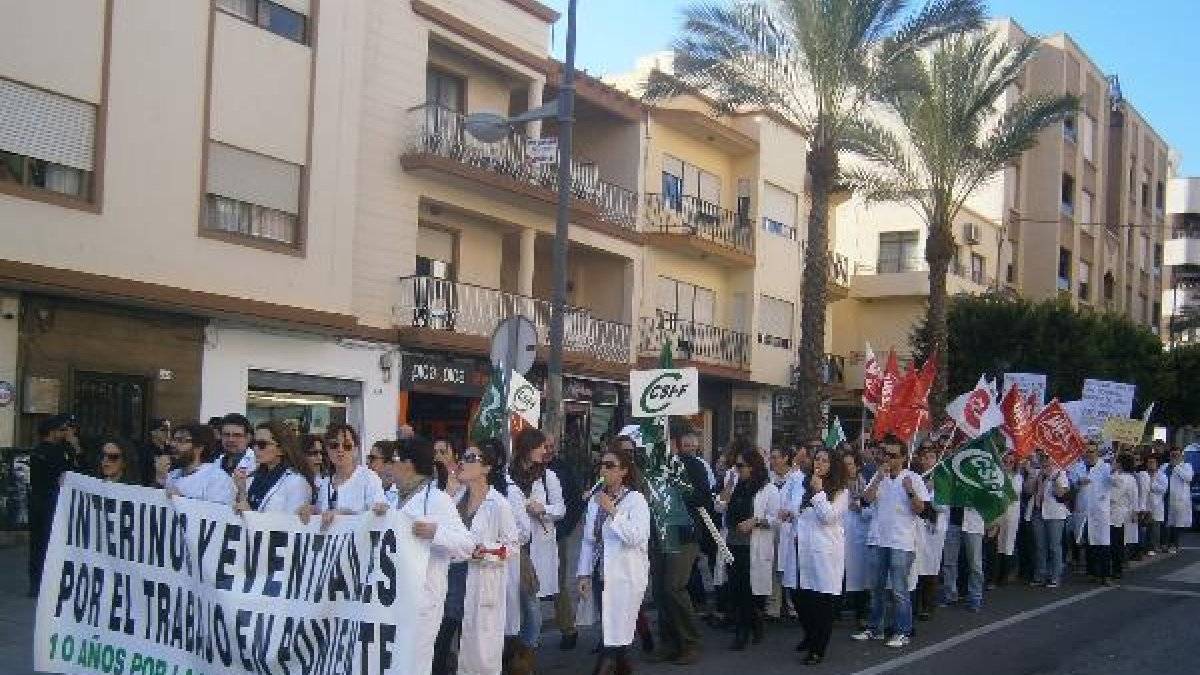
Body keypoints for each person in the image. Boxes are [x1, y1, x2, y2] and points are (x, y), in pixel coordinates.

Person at [390, 437, 474, 675]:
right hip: (392, 600)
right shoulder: (392, 498)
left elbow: (466, 546)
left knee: (415, 666)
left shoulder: (437, 500)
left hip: (423, 602)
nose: (389, 466)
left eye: (393, 460)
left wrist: (435, 532)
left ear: (408, 463)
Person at [577, 443, 651, 675]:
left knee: (619, 627)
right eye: (602, 465)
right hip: (602, 571)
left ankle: (607, 666)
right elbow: (589, 539)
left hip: (626, 574)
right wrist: (584, 573)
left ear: (623, 471)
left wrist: (614, 512)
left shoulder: (636, 500)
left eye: (610, 466)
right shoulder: (594, 501)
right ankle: (619, 666)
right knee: (610, 625)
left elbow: (636, 536)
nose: (604, 470)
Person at [853, 435, 930, 649]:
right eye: (885, 454)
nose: (887, 458)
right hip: (878, 539)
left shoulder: (913, 478)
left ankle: (902, 631)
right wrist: (878, 478)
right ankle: (874, 628)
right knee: (876, 588)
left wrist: (910, 490)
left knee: (898, 590)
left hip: (902, 542)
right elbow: (865, 500)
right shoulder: (880, 476)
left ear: (903, 458)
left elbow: (921, 510)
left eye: (892, 455)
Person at [451, 439, 520, 675]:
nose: (462, 462)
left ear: (487, 468)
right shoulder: (455, 499)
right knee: (440, 649)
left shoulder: (498, 504)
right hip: (450, 584)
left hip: (479, 586)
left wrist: (486, 550)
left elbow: (512, 546)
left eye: (471, 458)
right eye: (463, 457)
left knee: (476, 657)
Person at [648, 427, 711, 665]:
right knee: (660, 591)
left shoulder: (691, 465)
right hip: (661, 535)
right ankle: (669, 642)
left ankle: (691, 642)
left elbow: (704, 497)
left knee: (674, 587)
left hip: (684, 535)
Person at [507, 428, 565, 662]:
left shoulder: (548, 476)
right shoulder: (507, 475)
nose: (545, 451)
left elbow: (561, 509)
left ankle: (527, 654)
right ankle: (515, 652)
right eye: (541, 446)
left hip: (538, 544)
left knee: (532, 605)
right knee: (514, 602)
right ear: (528, 448)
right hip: (516, 545)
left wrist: (544, 509)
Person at [716, 446, 778, 651]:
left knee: (748, 590)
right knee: (736, 588)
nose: (737, 469)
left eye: (740, 465)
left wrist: (755, 521)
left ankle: (742, 632)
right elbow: (719, 506)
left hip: (753, 546)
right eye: (735, 465)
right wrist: (730, 484)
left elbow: (776, 518)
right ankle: (755, 623)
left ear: (753, 467)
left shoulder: (768, 489)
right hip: (732, 544)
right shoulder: (734, 485)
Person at [793, 448, 848, 666]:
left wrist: (818, 493)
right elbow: (802, 515)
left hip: (826, 555)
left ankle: (818, 649)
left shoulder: (841, 491)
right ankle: (810, 636)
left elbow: (828, 517)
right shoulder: (805, 485)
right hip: (805, 553)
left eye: (825, 461)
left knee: (823, 604)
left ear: (833, 465)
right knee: (802, 599)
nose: (820, 464)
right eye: (817, 459)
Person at [28, 414, 80, 595]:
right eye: (61, 430)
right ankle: (46, 581)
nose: (65, 433)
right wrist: (74, 449)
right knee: (49, 542)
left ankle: (35, 582)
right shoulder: (56, 451)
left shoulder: (37, 450)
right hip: (51, 501)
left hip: (37, 501)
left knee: (37, 543)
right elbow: (70, 472)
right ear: (52, 432)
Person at [545, 433, 585, 650]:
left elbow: (575, 503)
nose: (549, 450)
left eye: (552, 446)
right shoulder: (524, 469)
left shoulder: (563, 470)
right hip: (530, 539)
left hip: (556, 536)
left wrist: (564, 530)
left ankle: (568, 629)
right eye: (545, 446)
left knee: (557, 584)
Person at [306, 423, 388, 525]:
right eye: (334, 445)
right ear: (327, 450)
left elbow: (378, 513)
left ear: (356, 450)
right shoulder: (326, 482)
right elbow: (322, 512)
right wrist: (311, 509)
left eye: (347, 446)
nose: (340, 450)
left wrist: (345, 513)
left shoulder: (368, 477)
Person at [233, 421, 312, 513]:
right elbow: (241, 512)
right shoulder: (253, 476)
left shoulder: (296, 482)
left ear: (281, 450)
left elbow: (291, 524)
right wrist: (241, 490)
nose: (255, 448)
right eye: (253, 443)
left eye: (262, 444)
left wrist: (250, 514)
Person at [1026, 452, 1070, 588]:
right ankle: (1040, 575)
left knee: (1054, 546)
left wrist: (1053, 478)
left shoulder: (1060, 473)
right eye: (1041, 458)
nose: (1044, 460)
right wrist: (1036, 477)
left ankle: (1055, 576)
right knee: (1040, 546)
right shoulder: (1036, 472)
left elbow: (1061, 493)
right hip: (1038, 512)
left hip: (1055, 514)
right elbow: (1027, 490)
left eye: (1046, 458)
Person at [914, 446, 947, 619]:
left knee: (931, 567)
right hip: (918, 527)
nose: (928, 460)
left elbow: (943, 506)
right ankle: (916, 604)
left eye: (932, 457)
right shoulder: (916, 477)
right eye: (925, 457)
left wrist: (930, 491)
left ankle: (928, 605)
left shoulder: (943, 479)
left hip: (935, 530)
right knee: (917, 566)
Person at [164, 423, 235, 505]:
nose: (173, 445)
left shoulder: (217, 478)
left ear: (199, 447)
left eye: (181, 441)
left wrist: (181, 500)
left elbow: (215, 514)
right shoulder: (172, 475)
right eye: (173, 440)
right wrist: (160, 480)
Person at [1074, 443, 1115, 584]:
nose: (1090, 454)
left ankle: (1106, 575)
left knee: (1103, 544)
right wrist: (1078, 481)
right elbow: (1072, 482)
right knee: (1089, 543)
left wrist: (1114, 472)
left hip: (1100, 511)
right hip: (1084, 510)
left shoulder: (1105, 467)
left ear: (1097, 453)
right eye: (1087, 452)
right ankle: (1092, 572)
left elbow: (1112, 481)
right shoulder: (1079, 466)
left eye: (1092, 451)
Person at [842, 451, 873, 630]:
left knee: (861, 576)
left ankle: (862, 613)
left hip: (859, 537)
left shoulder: (866, 487)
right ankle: (836, 611)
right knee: (840, 574)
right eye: (844, 465)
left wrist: (860, 508)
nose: (847, 469)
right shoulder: (836, 487)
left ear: (857, 466)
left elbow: (873, 511)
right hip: (841, 537)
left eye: (850, 465)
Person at [768, 447, 799, 620]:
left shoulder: (796, 478)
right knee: (774, 568)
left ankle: (792, 605)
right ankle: (773, 607)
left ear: (786, 458)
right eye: (771, 458)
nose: (772, 461)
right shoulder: (769, 479)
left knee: (790, 567)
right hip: (773, 528)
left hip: (789, 528)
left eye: (775, 457)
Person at [990, 453, 1024, 586]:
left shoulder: (1018, 477)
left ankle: (1005, 575)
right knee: (997, 543)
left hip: (1011, 514)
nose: (1008, 464)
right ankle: (995, 575)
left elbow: (1013, 495)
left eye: (1011, 462)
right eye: (1005, 462)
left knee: (1008, 542)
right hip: (998, 513)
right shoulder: (996, 475)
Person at [1109, 453, 1138, 583]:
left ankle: (1116, 570)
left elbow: (1113, 497)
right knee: (1119, 543)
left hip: (1116, 515)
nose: (1112, 463)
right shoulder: (1130, 478)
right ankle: (1117, 569)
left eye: (1114, 461)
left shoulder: (1123, 478)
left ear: (1119, 464)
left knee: (1116, 544)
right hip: (1121, 515)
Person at [1165, 446, 1194, 553]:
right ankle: (1164, 544)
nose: (1174, 457)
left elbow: (1188, 478)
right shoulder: (1165, 466)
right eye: (1173, 455)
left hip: (1178, 500)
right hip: (1165, 498)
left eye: (1177, 455)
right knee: (1165, 523)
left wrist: (1176, 467)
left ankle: (1174, 544)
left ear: (1182, 456)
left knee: (1176, 524)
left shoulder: (1187, 466)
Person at [1145, 454, 1167, 555]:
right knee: (1146, 528)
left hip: (1157, 505)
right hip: (1145, 505)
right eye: (1149, 462)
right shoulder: (1144, 474)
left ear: (1157, 464)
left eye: (1153, 462)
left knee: (1155, 528)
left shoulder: (1162, 475)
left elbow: (1163, 489)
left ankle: (1154, 547)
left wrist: (1151, 482)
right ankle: (1146, 548)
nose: (1151, 465)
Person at [140, 417, 171, 486]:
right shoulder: (144, 451)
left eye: (168, 430)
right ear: (153, 432)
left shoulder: (172, 450)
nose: (167, 433)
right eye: (163, 430)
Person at [367, 440, 400, 506]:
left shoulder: (402, 495)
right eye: (368, 458)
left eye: (372, 458)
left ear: (389, 463)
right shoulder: (366, 488)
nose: (368, 463)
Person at [300, 434, 329, 508]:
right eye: (314, 453)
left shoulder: (327, 482)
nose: (320, 457)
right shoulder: (292, 481)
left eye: (321, 453)